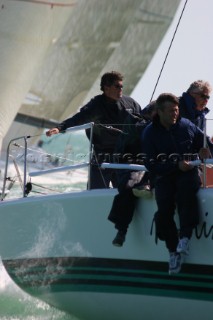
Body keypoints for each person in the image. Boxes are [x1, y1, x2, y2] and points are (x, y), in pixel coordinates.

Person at [142, 93, 213, 275]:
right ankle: (173, 251)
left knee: (186, 193)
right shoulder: (149, 133)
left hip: (188, 173)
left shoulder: (186, 125)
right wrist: (175, 165)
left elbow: (203, 143)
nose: (175, 114)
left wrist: (205, 151)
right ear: (159, 112)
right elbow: (151, 164)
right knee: (164, 209)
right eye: (171, 111)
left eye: (176, 110)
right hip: (165, 175)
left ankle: (186, 238)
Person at [46, 71, 142, 189]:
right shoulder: (96, 105)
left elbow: (143, 122)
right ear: (106, 88)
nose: (121, 89)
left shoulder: (130, 103)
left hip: (124, 156)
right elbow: (79, 118)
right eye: (117, 86)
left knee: (125, 192)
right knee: (95, 191)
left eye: (122, 86)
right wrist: (59, 127)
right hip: (102, 156)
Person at [108, 101, 157, 246]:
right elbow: (140, 129)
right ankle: (121, 230)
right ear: (151, 112)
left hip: (147, 165)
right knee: (130, 185)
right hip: (128, 165)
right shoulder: (135, 120)